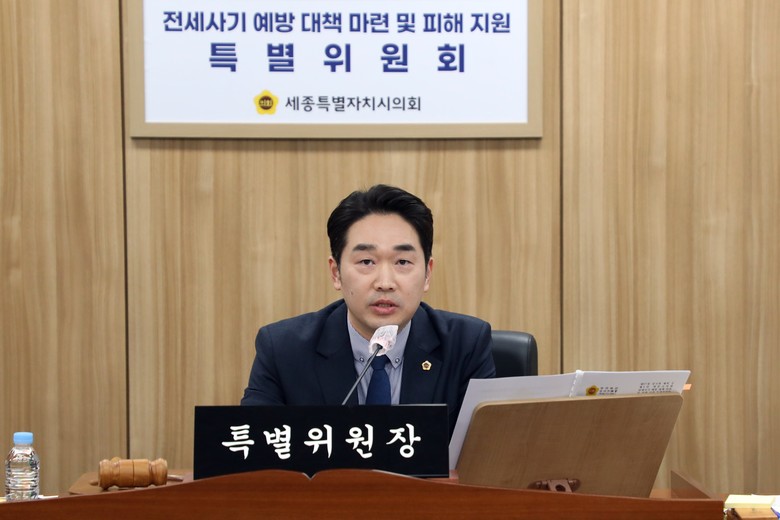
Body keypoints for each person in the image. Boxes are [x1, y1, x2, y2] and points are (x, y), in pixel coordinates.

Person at [240, 184, 495, 435]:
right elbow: (253, 450)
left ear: (427, 274)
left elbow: (486, 451)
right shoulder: (283, 350)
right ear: (336, 273)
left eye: (402, 262)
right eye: (366, 261)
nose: (385, 282)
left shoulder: (466, 346)